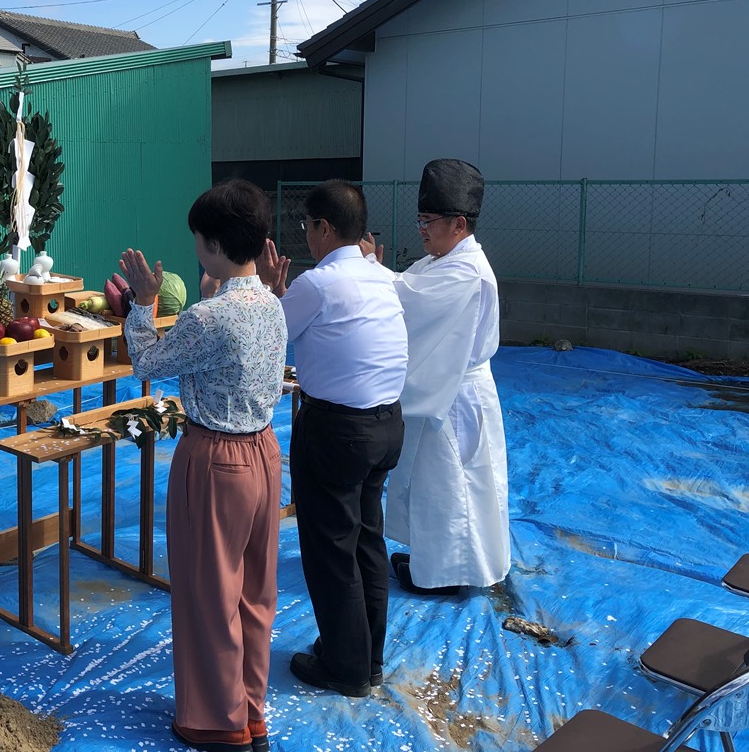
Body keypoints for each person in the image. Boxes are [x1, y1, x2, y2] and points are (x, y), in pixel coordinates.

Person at [119, 178, 288, 752]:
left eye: (198, 240)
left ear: (213, 244)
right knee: (254, 592)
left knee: (208, 591)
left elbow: (146, 361)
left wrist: (143, 304)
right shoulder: (271, 300)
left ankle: (218, 722)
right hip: (265, 452)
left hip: (216, 457)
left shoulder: (207, 318)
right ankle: (250, 709)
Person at [257, 180, 408, 698]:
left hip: (338, 430)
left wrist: (265, 288)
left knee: (330, 550)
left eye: (307, 227)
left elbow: (269, 334)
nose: (307, 237)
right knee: (367, 540)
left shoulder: (318, 284)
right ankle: (367, 656)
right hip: (387, 426)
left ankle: (345, 668)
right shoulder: (379, 276)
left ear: (322, 228)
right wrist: (283, 294)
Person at [367, 158, 510, 596]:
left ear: (459, 223)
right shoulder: (440, 261)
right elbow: (406, 287)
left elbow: (407, 300)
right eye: (420, 220)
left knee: (454, 488)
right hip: (447, 390)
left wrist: (364, 269)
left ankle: (447, 574)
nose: (421, 229)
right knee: (434, 484)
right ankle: (434, 560)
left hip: (457, 394)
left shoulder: (465, 271)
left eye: (429, 221)